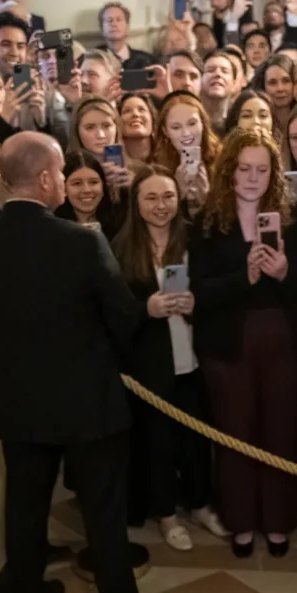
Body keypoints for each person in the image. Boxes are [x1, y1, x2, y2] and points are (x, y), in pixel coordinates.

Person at [0, 132, 170, 593]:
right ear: (48, 179)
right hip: (88, 401)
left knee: (25, 506)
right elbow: (123, 319)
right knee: (104, 510)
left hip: (15, 402)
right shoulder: (82, 241)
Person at [188, 128, 297, 557]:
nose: (252, 178)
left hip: (285, 340)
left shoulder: (295, 218)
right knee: (235, 434)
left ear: (274, 173)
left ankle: (279, 522)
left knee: (281, 430)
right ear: (229, 170)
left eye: (262, 170)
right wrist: (241, 278)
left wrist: (282, 272)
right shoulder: (208, 220)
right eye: (244, 168)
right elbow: (198, 293)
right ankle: (240, 521)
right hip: (226, 344)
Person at [112, 172, 224, 551]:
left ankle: (199, 504)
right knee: (156, 444)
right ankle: (166, 514)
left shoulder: (195, 238)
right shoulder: (121, 248)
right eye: (151, 198)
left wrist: (197, 303)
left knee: (196, 441)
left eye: (168, 196)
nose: (161, 205)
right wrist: (147, 308)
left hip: (193, 360)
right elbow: (114, 312)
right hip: (149, 367)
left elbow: (217, 291)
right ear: (136, 204)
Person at [154, 90, 217, 209]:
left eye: (192, 124)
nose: (186, 133)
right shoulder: (158, 170)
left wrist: (207, 200)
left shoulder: (224, 162)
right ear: (165, 131)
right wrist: (177, 192)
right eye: (176, 127)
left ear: (203, 123)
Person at [57, 149, 123, 237]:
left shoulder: (121, 225)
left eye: (93, 182)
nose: (86, 190)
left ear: (103, 186)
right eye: (77, 183)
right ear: (63, 188)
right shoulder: (53, 228)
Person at [99, 1, 157, 70]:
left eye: (119, 20)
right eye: (109, 20)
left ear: (127, 27)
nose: (114, 24)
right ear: (102, 29)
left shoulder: (147, 60)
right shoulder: (92, 60)